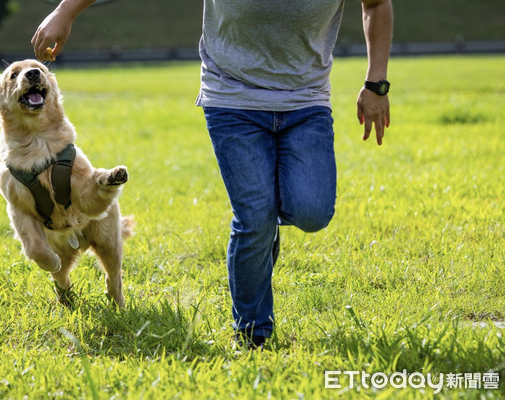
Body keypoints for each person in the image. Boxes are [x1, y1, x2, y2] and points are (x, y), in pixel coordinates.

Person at [32, 0, 392, 349]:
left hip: (305, 101)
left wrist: (376, 83)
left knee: (312, 212)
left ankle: (264, 226)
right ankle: (252, 334)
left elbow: (375, 4)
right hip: (232, 99)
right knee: (254, 219)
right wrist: (66, 11)